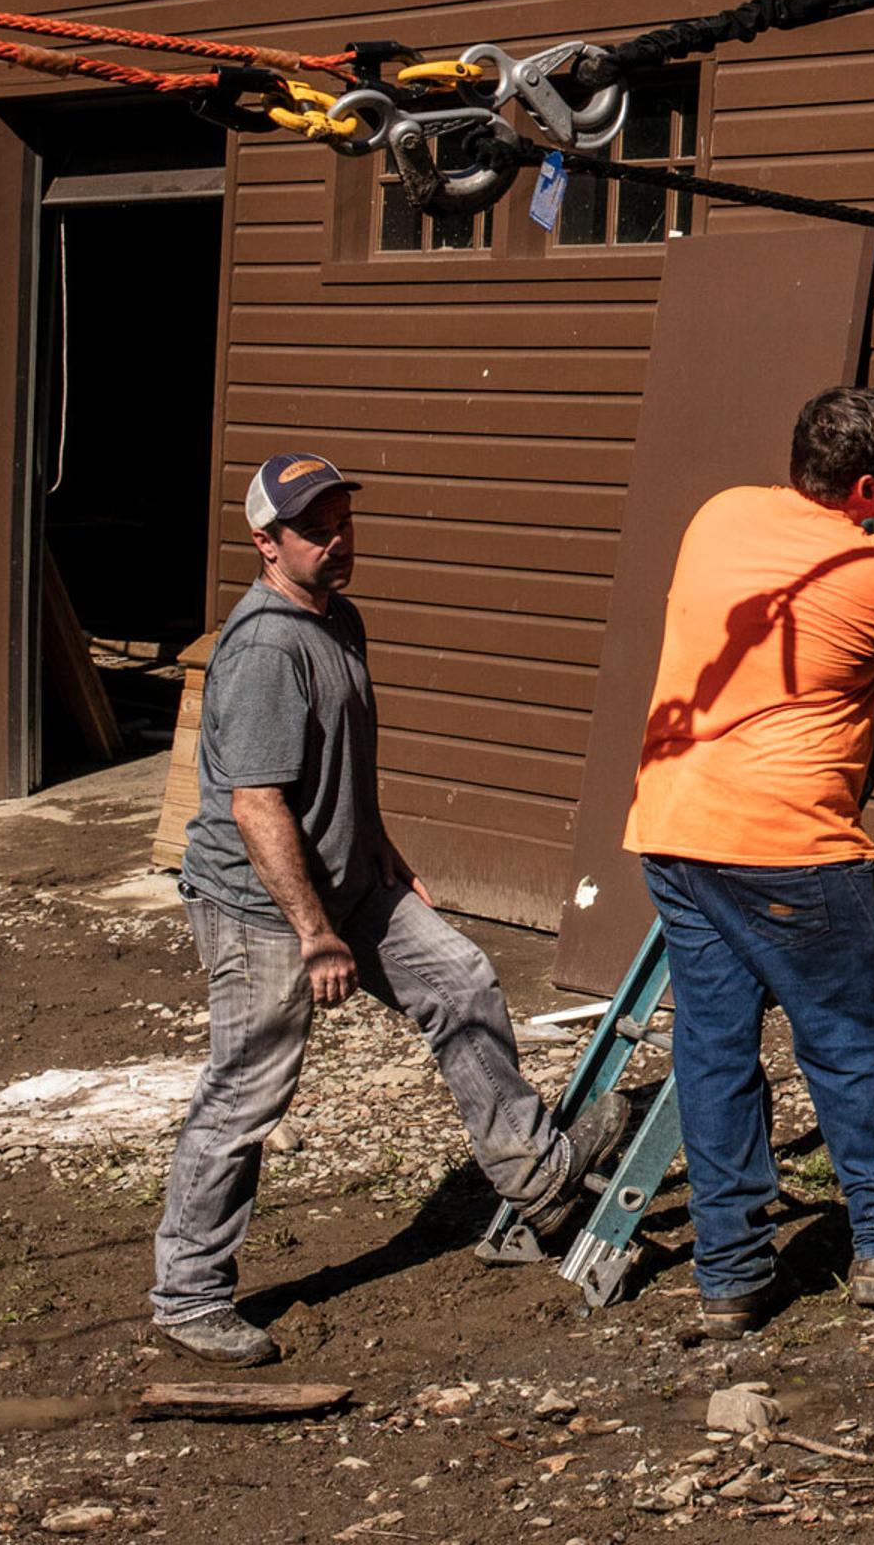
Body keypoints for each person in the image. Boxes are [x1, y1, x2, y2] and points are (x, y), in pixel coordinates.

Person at [155, 453, 631, 1365]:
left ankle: (535, 1172)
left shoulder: (339, 619)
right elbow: (256, 802)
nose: (338, 540)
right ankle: (186, 1294)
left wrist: (387, 858)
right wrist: (315, 932)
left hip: (350, 882)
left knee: (460, 977)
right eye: (315, 528)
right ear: (266, 543)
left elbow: (344, 768)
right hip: (265, 905)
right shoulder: (264, 649)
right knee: (247, 1093)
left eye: (344, 520)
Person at [625, 387, 874, 1333]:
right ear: (870, 487)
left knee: (714, 1052)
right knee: (846, 1044)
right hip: (790, 846)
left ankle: (729, 1273)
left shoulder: (721, 513)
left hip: (676, 830)